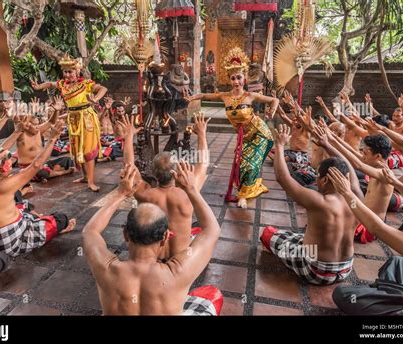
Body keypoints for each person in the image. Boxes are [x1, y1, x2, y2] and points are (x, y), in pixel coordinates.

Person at [83, 162, 223, 315]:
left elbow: (90, 231)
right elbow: (212, 230)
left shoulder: (106, 270)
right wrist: (192, 189)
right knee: (211, 296)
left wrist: (120, 194)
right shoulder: (178, 273)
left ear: (125, 234)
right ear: (166, 238)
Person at [260, 124, 362, 285]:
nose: (315, 179)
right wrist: (327, 145)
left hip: (317, 271)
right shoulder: (356, 196)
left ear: (325, 180)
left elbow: (283, 179)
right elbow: (347, 164)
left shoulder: (319, 201)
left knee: (268, 234)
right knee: (301, 237)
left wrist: (279, 146)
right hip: (346, 268)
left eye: (317, 175)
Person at [326, 167, 403, 315]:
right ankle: (383, 294)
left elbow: (377, 228)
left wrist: (346, 192)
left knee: (342, 293)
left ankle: (384, 299)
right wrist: (394, 182)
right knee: (398, 263)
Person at [186, 47, 279, 208]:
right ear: (230, 79)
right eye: (233, 78)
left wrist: (272, 110)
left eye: (239, 78)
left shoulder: (250, 96)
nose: (236, 81)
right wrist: (193, 97)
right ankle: (246, 189)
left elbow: (274, 101)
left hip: (259, 132)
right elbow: (204, 95)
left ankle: (244, 195)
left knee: (251, 164)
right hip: (244, 137)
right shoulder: (225, 96)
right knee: (240, 164)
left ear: (244, 79)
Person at [0, 121, 76, 257]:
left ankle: (37, 222)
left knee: (24, 205)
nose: (11, 164)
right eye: (8, 162)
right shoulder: (3, 185)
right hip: (10, 241)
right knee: (61, 218)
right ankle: (52, 231)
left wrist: (16, 132)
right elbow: (37, 165)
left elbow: (0, 152)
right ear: (2, 168)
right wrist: (52, 138)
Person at [119, 112, 209, 260]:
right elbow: (203, 163)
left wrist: (129, 136)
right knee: (201, 229)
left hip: (155, 259)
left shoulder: (145, 194)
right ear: (176, 172)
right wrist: (201, 134)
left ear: (153, 173)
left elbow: (129, 166)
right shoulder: (189, 192)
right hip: (180, 259)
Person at [31, 54, 108, 192]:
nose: (67, 75)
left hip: (86, 118)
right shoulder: (63, 85)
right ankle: (85, 177)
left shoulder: (86, 84)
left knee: (88, 150)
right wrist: (38, 87)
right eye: (65, 72)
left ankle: (91, 181)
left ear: (77, 71)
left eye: (70, 71)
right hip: (73, 119)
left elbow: (103, 89)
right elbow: (50, 84)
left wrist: (95, 99)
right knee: (78, 149)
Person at [325, 129, 394, 243]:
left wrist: (328, 144)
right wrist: (333, 139)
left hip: (369, 228)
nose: (363, 155)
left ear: (377, 156)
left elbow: (358, 165)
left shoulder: (385, 174)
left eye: (365, 153)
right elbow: (352, 152)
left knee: (328, 224)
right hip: (362, 218)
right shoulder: (375, 165)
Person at [16, 96, 75, 183]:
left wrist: (56, 110)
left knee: (67, 160)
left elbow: (51, 122)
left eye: (37, 124)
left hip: (43, 164)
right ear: (27, 126)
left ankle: (52, 172)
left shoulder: (38, 130)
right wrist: (32, 111)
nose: (37, 127)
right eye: (34, 125)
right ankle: (60, 172)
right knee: (42, 173)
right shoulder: (21, 136)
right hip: (28, 168)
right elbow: (21, 125)